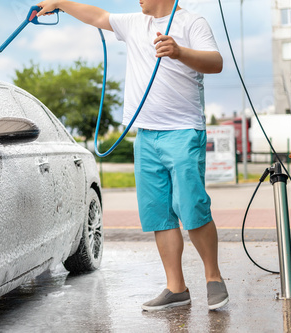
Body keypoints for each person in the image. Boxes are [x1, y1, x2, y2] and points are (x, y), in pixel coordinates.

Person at [37, 0, 229, 311]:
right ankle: (176, 287)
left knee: (192, 205)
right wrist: (59, 2)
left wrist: (179, 51)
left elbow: (216, 62)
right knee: (159, 214)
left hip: (183, 131)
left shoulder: (193, 23)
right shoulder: (134, 23)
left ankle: (213, 277)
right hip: (146, 135)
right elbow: (98, 15)